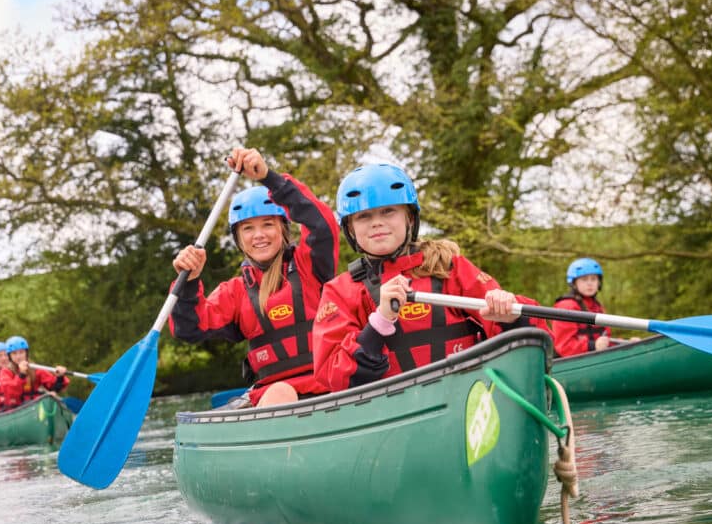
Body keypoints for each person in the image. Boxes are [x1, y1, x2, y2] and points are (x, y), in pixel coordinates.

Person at [312, 163, 549, 391]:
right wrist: (381, 320)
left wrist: (510, 317)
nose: (377, 223)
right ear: (350, 228)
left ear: (410, 218)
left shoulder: (448, 267)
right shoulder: (340, 290)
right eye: (364, 216)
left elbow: (532, 339)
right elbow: (333, 375)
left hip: (466, 395)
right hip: (390, 410)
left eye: (388, 211)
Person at [169, 147, 340, 407]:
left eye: (268, 224)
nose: (259, 235)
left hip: (332, 383)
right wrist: (189, 282)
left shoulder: (310, 265)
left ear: (283, 230)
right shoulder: (235, 292)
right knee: (281, 393)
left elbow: (322, 223)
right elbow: (189, 328)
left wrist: (270, 178)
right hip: (274, 396)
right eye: (248, 228)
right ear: (238, 239)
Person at [551, 258, 613, 357]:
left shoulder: (597, 306)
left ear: (599, 282)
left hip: (594, 358)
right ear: (574, 283)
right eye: (584, 279)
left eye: (593, 279)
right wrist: (593, 346)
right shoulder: (566, 306)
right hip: (571, 364)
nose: (590, 283)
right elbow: (564, 347)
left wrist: (628, 344)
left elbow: (606, 340)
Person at [0, 335, 70, 407]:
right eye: (14, 353)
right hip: (15, 407)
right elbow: (11, 393)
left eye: (21, 352)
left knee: (52, 396)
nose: (18, 356)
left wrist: (60, 377)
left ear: (26, 353)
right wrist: (21, 375)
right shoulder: (6, 371)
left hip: (34, 406)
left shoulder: (35, 369)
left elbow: (54, 387)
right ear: (9, 356)